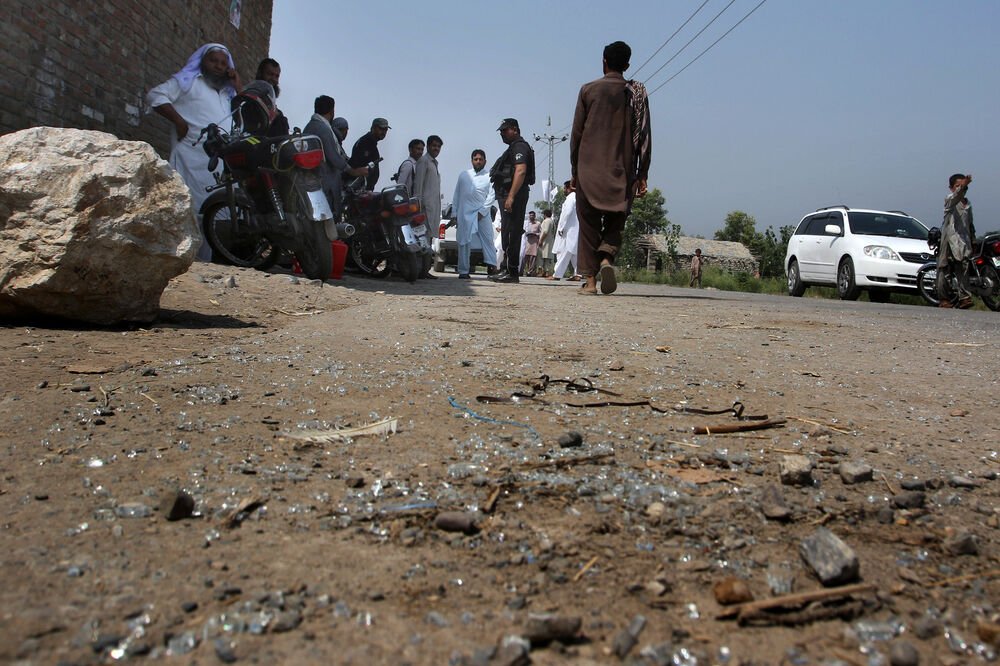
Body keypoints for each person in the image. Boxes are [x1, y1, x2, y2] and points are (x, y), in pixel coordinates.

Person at [570, 40, 651, 295]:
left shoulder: (588, 90)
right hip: (622, 171)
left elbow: (576, 135)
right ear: (627, 65)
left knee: (588, 225)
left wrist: (575, 171)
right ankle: (606, 258)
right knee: (617, 221)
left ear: (603, 61)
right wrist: (642, 174)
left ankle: (591, 282)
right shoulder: (636, 92)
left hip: (588, 170)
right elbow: (645, 135)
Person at [147, 43, 241, 261]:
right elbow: (156, 96)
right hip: (190, 161)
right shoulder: (188, 83)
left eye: (223, 63)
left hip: (216, 167)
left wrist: (238, 87)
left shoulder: (227, 93)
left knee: (210, 221)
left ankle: (202, 268)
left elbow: (243, 118)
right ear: (202, 61)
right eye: (213, 61)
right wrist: (178, 121)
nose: (218, 67)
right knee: (187, 216)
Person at [303, 96, 368, 220]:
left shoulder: (310, 126)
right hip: (325, 180)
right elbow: (333, 155)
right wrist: (353, 171)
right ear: (332, 111)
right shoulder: (323, 129)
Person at [488, 118, 535, 283]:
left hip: (514, 195)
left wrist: (511, 196)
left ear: (515, 129)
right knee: (507, 233)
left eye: (505, 130)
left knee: (512, 233)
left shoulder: (519, 146)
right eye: (501, 130)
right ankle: (506, 268)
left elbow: (520, 171)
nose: (502, 133)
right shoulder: (513, 148)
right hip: (508, 194)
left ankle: (512, 272)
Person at [452, 149, 498, 279]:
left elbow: (491, 196)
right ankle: (463, 271)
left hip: (482, 214)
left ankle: (492, 268)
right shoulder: (464, 175)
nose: (478, 161)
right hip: (464, 214)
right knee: (463, 242)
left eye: (480, 159)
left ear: (485, 161)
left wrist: (482, 212)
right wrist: (454, 213)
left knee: (488, 240)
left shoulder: (490, 176)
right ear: (471, 160)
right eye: (475, 159)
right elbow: (457, 196)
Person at [938, 174, 976, 309]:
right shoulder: (950, 200)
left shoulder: (968, 203)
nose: (962, 188)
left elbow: (970, 223)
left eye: (964, 186)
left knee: (963, 267)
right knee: (945, 268)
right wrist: (963, 185)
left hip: (963, 241)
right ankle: (944, 299)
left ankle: (964, 298)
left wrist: (973, 239)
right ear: (951, 188)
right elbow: (956, 196)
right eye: (958, 186)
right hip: (949, 238)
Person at [413, 134, 443, 278]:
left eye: (438, 146)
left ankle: (425, 271)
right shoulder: (423, 161)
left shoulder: (433, 163)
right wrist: (417, 210)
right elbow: (418, 188)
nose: (436, 149)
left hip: (432, 209)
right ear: (428, 146)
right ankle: (418, 270)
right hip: (423, 210)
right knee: (421, 240)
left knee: (428, 240)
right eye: (434, 146)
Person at [550, 181, 581, 281]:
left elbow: (567, 212)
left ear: (569, 188)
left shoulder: (571, 197)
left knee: (565, 251)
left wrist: (561, 227)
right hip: (575, 229)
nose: (563, 190)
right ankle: (578, 274)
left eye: (564, 188)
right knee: (574, 252)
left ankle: (557, 274)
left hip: (568, 230)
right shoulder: (577, 197)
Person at [349, 118, 390, 190]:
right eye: (381, 128)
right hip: (359, 189)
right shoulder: (366, 142)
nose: (383, 132)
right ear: (373, 128)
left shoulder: (371, 143)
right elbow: (356, 165)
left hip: (364, 189)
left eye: (386, 129)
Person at [255, 58, 289, 136]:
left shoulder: (279, 114)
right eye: (270, 74)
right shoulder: (249, 100)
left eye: (276, 76)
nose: (273, 79)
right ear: (260, 73)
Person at [522, 211, 541, 276]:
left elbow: (541, 233)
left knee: (532, 258)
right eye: (530, 215)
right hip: (527, 242)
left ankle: (530, 271)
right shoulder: (526, 223)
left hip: (534, 242)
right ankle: (521, 270)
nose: (531, 217)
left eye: (533, 215)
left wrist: (535, 234)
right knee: (525, 257)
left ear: (535, 216)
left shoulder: (538, 223)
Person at [538, 208, 555, 277]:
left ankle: (540, 271)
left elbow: (545, 231)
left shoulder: (546, 221)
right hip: (550, 241)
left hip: (545, 241)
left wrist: (541, 240)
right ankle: (546, 271)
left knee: (541, 256)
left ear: (544, 215)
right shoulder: (552, 221)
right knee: (547, 257)